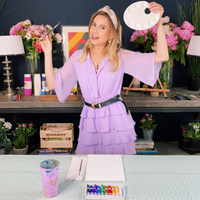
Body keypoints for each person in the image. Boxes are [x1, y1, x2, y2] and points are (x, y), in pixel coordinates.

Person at [40, 2, 169, 155]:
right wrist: (47, 52)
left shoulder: (120, 56)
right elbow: (52, 83)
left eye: (102, 27)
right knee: (89, 170)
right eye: (94, 24)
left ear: (112, 34)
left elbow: (162, 56)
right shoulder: (78, 57)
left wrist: (159, 23)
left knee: (118, 169)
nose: (95, 30)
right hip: (89, 118)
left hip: (115, 119)